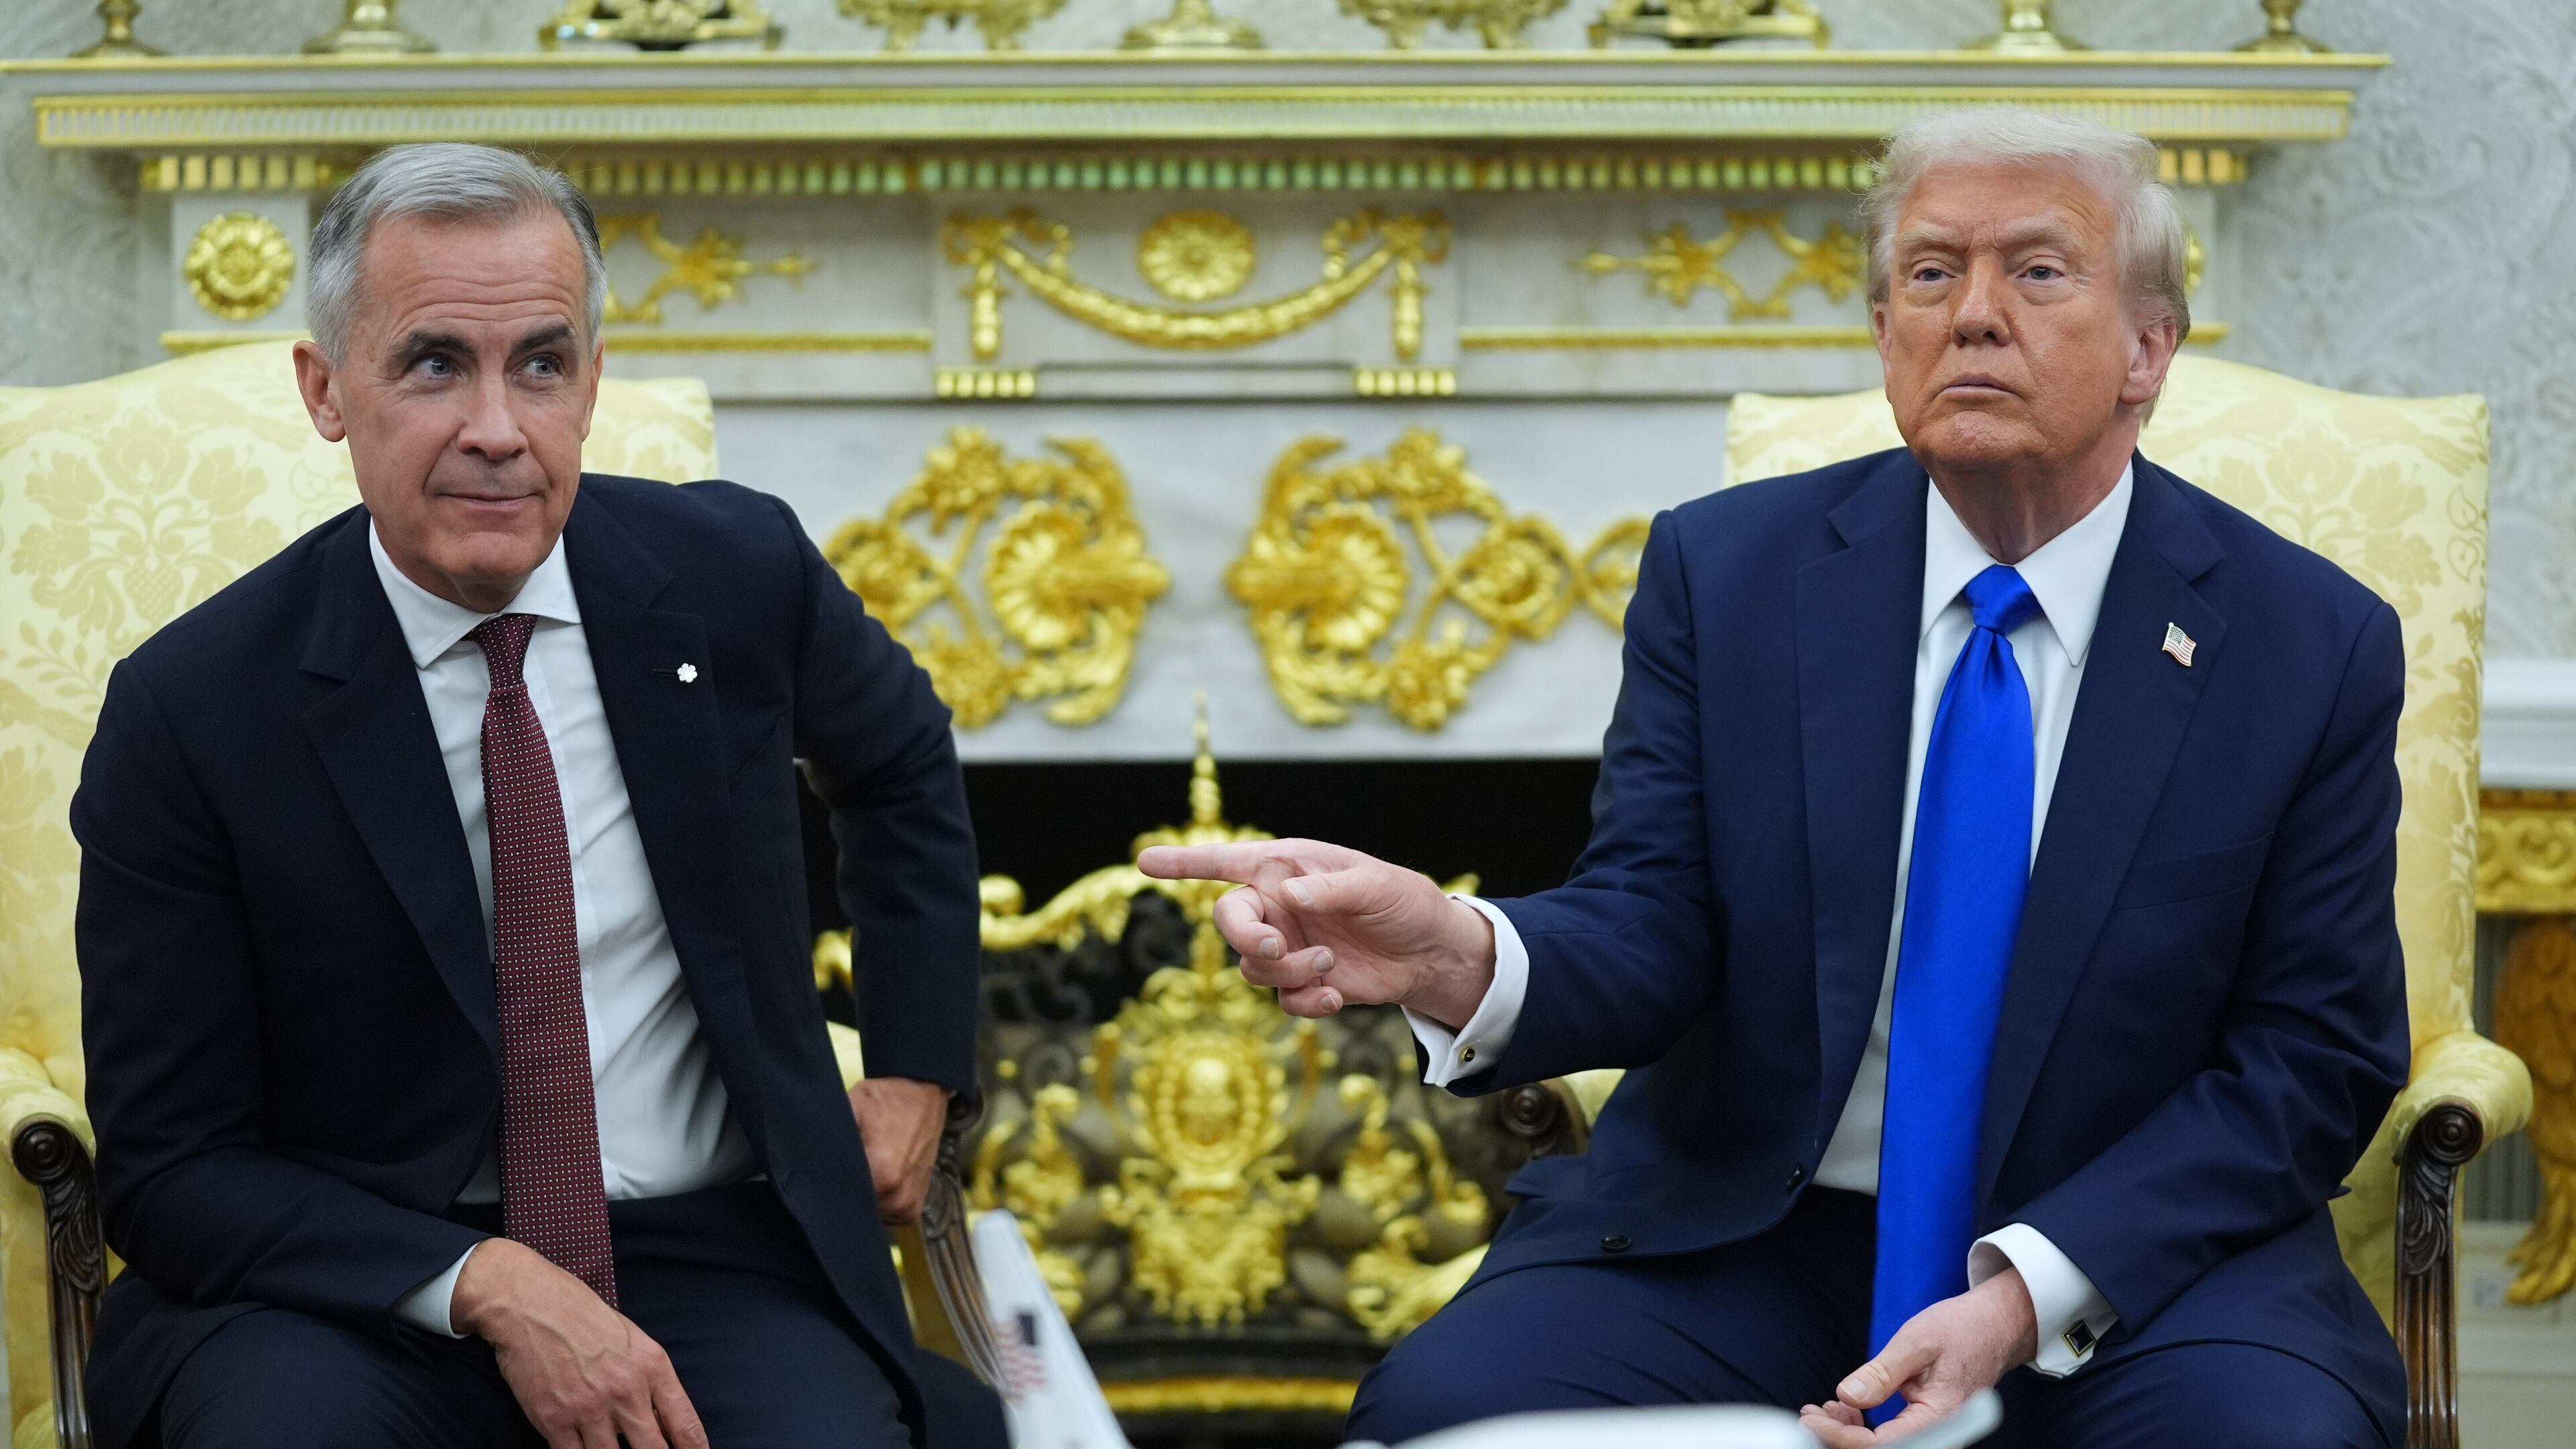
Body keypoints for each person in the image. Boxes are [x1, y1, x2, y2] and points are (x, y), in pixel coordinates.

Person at [1143, 109, 2408, 1449]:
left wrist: (2022, 1294)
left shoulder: (2305, 641)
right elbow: (1654, 921)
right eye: (1931, 273)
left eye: (2038, 272)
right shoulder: (1729, 574)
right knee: (1445, 1413)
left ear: (2150, 348)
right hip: (1756, 1229)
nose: (1974, 316)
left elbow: (2313, 1052)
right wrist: (1458, 953)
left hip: (2132, 1265)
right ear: (1883, 331)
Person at [72, 142, 1001, 1449]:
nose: (498, 429)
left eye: (543, 365)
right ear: (326, 390)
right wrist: (489, 1284)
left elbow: (900, 768)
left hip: (708, 1257)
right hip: (349, 1283)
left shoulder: (735, 575)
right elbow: (173, 1166)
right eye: (435, 364)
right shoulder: (195, 710)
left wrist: (914, 1070)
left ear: (593, 382)